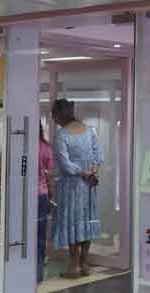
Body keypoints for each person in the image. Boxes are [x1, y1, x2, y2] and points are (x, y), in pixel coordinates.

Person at [51, 99, 103, 279]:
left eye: (54, 114)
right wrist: (93, 172)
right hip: (89, 184)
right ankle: (84, 263)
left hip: (72, 185)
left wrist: (83, 172)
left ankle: (74, 266)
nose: (53, 118)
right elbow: (98, 155)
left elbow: (65, 164)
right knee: (86, 221)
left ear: (61, 114)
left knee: (73, 222)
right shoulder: (89, 131)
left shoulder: (61, 135)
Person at [37, 123, 56, 283]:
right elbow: (50, 175)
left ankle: (20, 269)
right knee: (40, 235)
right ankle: (38, 274)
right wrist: (52, 196)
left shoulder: (20, 144)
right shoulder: (45, 147)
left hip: (22, 197)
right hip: (41, 195)